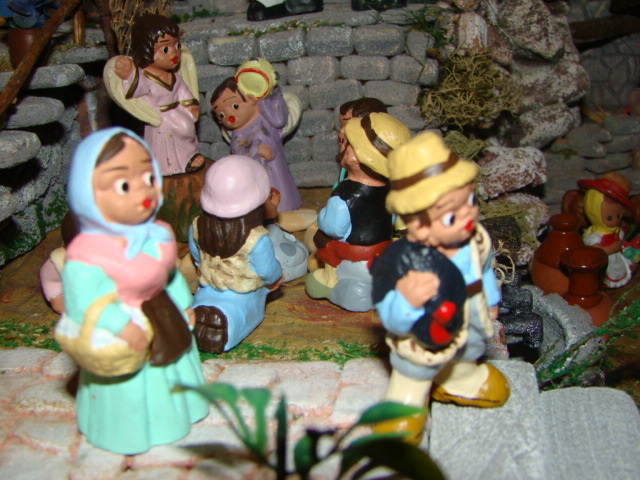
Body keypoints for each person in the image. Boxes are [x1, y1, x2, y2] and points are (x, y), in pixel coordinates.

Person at [56, 127, 208, 454]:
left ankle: (180, 410)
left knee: (174, 365)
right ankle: (132, 430)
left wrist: (184, 303)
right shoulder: (88, 254)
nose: (143, 191)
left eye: (148, 178)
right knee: (134, 385)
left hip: (162, 315)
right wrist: (121, 325)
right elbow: (85, 301)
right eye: (124, 185)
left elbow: (169, 277)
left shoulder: (157, 235)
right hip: (123, 331)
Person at [370, 132, 510, 443]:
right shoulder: (403, 264)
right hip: (424, 334)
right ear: (417, 225)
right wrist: (407, 301)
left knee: (469, 349)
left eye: (470, 201)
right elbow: (390, 315)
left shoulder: (475, 240)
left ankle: (460, 378)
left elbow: (484, 270)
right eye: (450, 216)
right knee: (414, 370)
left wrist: (491, 298)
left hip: (469, 317)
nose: (467, 216)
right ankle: (404, 403)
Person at [104, 13, 207, 241]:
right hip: (161, 121)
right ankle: (168, 165)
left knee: (187, 133)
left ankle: (189, 157)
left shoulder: (173, 76)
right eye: (165, 49)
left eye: (177, 46)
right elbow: (134, 88)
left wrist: (190, 104)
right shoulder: (147, 77)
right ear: (146, 50)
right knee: (174, 136)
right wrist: (127, 74)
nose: (174, 53)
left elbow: (182, 91)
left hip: (177, 113)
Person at [305, 113, 411, 311]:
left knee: (322, 247)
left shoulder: (345, 196)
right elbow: (393, 219)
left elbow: (334, 227)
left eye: (347, 143)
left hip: (354, 259)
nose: (341, 145)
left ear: (354, 157)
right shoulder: (390, 189)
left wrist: (322, 215)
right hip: (382, 253)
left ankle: (334, 285)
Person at [189, 155, 284, 353]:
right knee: (244, 307)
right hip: (244, 293)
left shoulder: (197, 227)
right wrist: (277, 277)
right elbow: (268, 272)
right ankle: (228, 321)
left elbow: (197, 257)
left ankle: (205, 311)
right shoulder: (256, 239)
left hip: (208, 286)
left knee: (204, 303)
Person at [211, 76, 302, 212]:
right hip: (255, 174)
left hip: (275, 169)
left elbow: (279, 119)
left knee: (282, 192)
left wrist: (272, 91)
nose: (229, 115)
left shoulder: (265, 116)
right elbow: (237, 152)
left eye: (235, 106)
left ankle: (286, 208)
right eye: (221, 115)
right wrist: (255, 149)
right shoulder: (238, 135)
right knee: (259, 197)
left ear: (252, 99)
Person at [579, 172, 636, 288]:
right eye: (610, 218)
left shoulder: (615, 230)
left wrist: (626, 245)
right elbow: (596, 252)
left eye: (618, 216)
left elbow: (621, 241)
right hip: (607, 262)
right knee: (611, 272)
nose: (615, 221)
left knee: (628, 263)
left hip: (617, 257)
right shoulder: (595, 236)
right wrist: (614, 247)